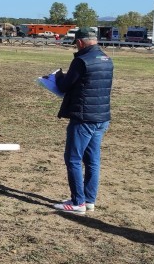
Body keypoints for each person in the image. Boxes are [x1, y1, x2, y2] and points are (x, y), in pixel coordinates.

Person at [52, 27, 113, 214]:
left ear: (79, 42)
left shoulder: (81, 61)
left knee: (73, 159)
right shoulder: (107, 60)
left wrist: (57, 77)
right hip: (101, 117)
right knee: (93, 160)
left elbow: (64, 86)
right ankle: (89, 200)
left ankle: (77, 202)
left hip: (83, 118)